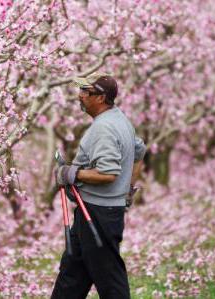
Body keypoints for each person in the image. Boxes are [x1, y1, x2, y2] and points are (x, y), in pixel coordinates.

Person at [52, 73, 146, 298]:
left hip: (99, 215)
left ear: (101, 98)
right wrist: (128, 190)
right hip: (92, 212)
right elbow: (140, 151)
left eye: (86, 92)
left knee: (110, 280)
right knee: (72, 275)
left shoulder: (103, 128)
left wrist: (71, 173)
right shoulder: (119, 119)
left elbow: (108, 173)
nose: (80, 96)